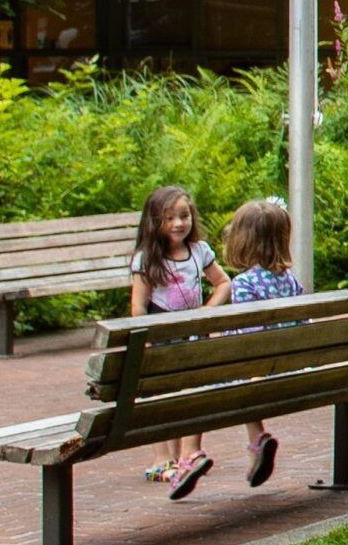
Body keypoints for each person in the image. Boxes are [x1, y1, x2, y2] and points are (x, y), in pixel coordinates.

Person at [128, 186, 226, 497]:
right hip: (161, 335)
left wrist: (206, 312)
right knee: (161, 394)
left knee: (192, 390)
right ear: (154, 221)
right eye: (169, 218)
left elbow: (223, 282)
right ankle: (163, 458)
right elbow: (138, 305)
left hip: (192, 333)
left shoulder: (199, 251)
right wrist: (142, 338)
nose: (178, 223)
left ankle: (188, 454)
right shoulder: (146, 259)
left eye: (184, 216)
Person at [210, 197, 303, 490]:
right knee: (242, 377)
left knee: (207, 380)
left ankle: (190, 455)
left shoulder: (245, 284)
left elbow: (248, 339)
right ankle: (256, 439)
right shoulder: (290, 281)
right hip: (290, 368)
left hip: (261, 371)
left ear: (243, 241)